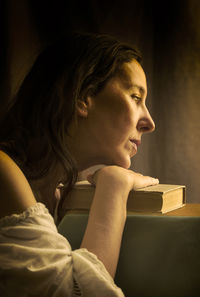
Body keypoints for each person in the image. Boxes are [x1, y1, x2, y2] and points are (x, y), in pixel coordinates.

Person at [0, 32, 159, 296]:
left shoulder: (52, 192)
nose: (149, 123)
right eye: (135, 97)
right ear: (82, 97)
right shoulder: (4, 172)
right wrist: (114, 187)